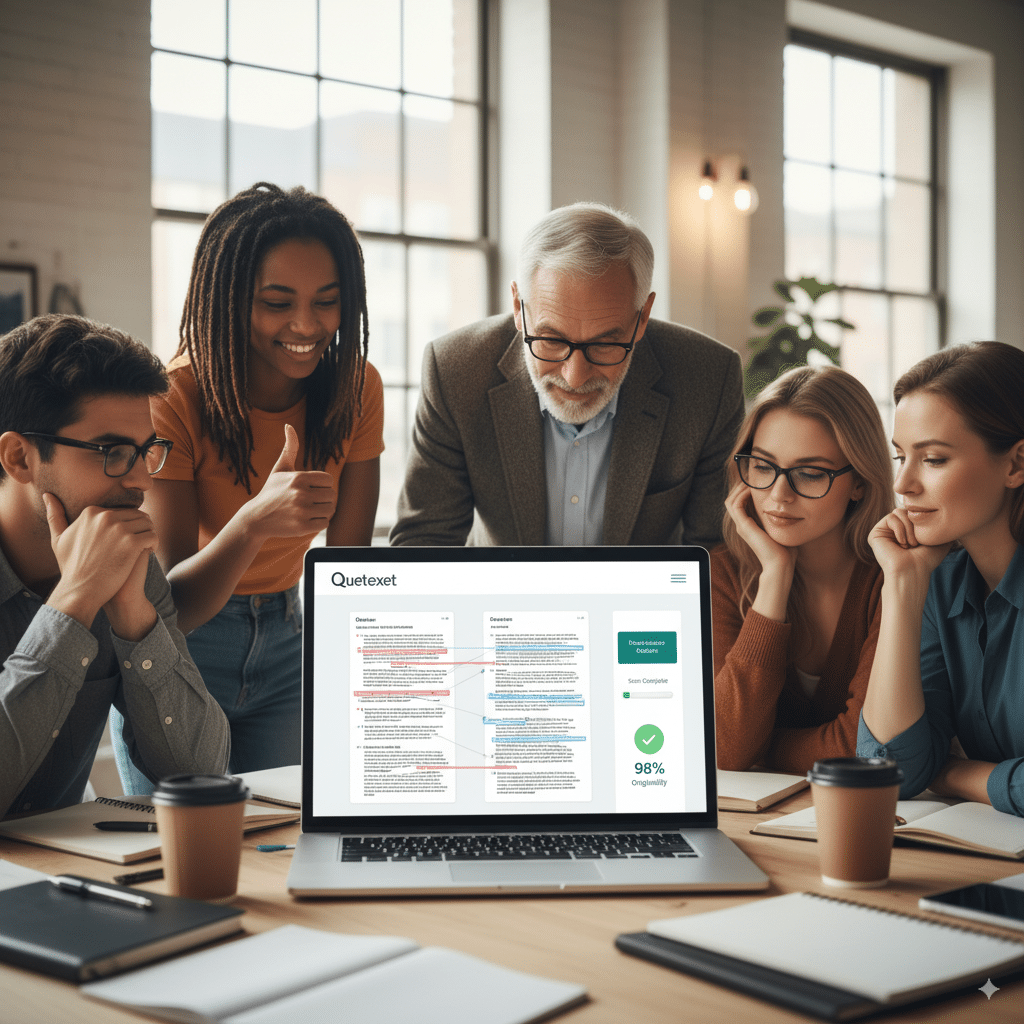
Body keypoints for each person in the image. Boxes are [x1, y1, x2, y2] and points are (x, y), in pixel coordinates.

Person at [113, 182, 383, 791]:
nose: (306, 324)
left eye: (328, 300)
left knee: (282, 840)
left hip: (289, 641)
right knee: (174, 854)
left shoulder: (356, 389)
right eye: (277, 302)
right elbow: (170, 602)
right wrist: (253, 520)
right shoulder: (173, 397)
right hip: (180, 646)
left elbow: (351, 567)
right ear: (231, 299)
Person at [390, 202, 744, 547]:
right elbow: (423, 543)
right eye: (551, 340)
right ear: (518, 307)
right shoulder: (455, 371)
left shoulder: (708, 380)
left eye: (605, 344)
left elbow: (719, 553)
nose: (575, 377)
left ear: (643, 316)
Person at [0, 314, 229, 817]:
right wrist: (74, 602)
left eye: (147, 451)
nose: (143, 481)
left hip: (66, 873)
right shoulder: (89, 575)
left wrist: (132, 611)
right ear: (20, 458)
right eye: (112, 452)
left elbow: (204, 772)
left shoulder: (132, 569)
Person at [859, 341, 1024, 816]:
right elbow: (890, 771)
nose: (903, 484)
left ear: (1016, 464)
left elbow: (924, 771)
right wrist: (902, 586)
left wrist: (954, 773)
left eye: (932, 459)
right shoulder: (939, 581)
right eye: (899, 457)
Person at [713, 366, 893, 773]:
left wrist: (765, 749)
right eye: (761, 466)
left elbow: (863, 748)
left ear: (861, 481)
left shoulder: (893, 579)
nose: (778, 496)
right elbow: (727, 750)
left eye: (810, 473)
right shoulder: (722, 577)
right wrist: (775, 577)